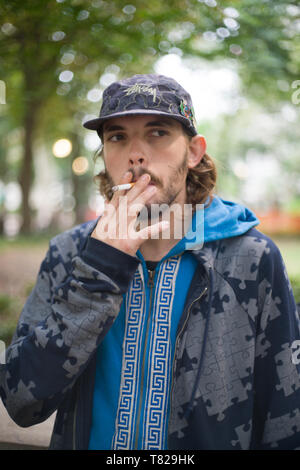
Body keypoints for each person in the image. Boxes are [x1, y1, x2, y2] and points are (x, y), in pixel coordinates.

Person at [1, 73, 300, 450]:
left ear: (193, 152)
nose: (136, 153)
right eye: (117, 136)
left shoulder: (251, 257)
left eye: (157, 132)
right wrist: (100, 268)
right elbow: (22, 402)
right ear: (105, 154)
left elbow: (285, 412)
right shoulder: (69, 253)